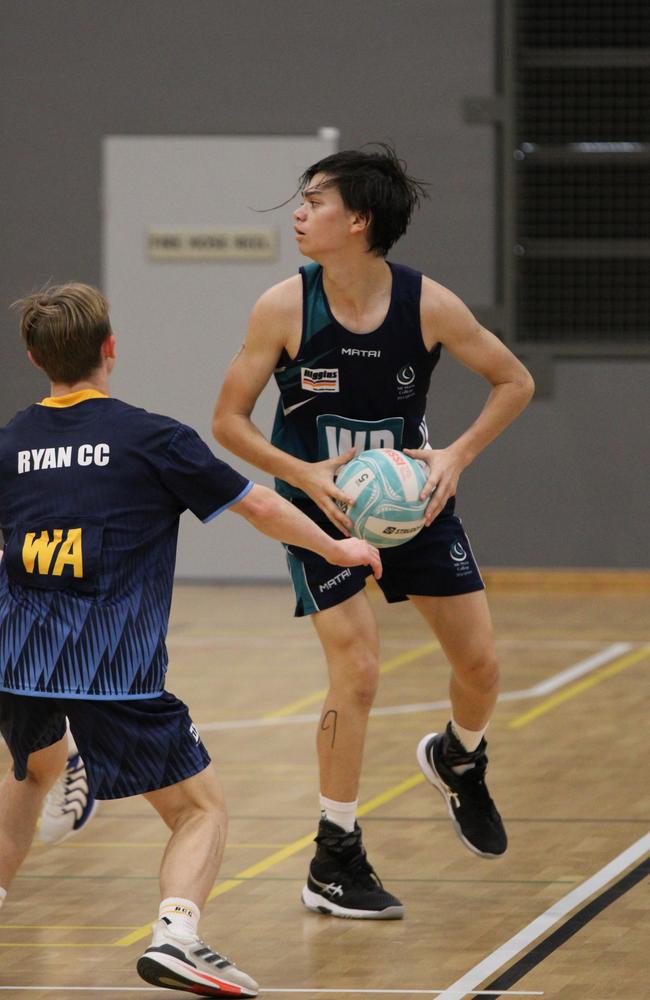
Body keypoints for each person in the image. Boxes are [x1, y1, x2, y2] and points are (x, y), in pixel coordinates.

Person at [0, 283, 381, 995]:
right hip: (113, 671)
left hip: (16, 661)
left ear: (34, 357)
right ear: (110, 349)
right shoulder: (152, 438)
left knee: (29, 778)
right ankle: (177, 934)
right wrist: (338, 548)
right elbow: (261, 505)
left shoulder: (12, 440)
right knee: (199, 809)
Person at [212, 145, 535, 920]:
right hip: (320, 513)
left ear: (357, 221)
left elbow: (514, 380)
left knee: (483, 670)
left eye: (314, 201)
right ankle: (334, 853)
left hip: (412, 505)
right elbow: (226, 421)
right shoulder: (283, 307)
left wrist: (455, 454)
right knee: (357, 671)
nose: (298, 211)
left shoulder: (428, 304)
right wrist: (304, 474)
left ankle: (458, 757)